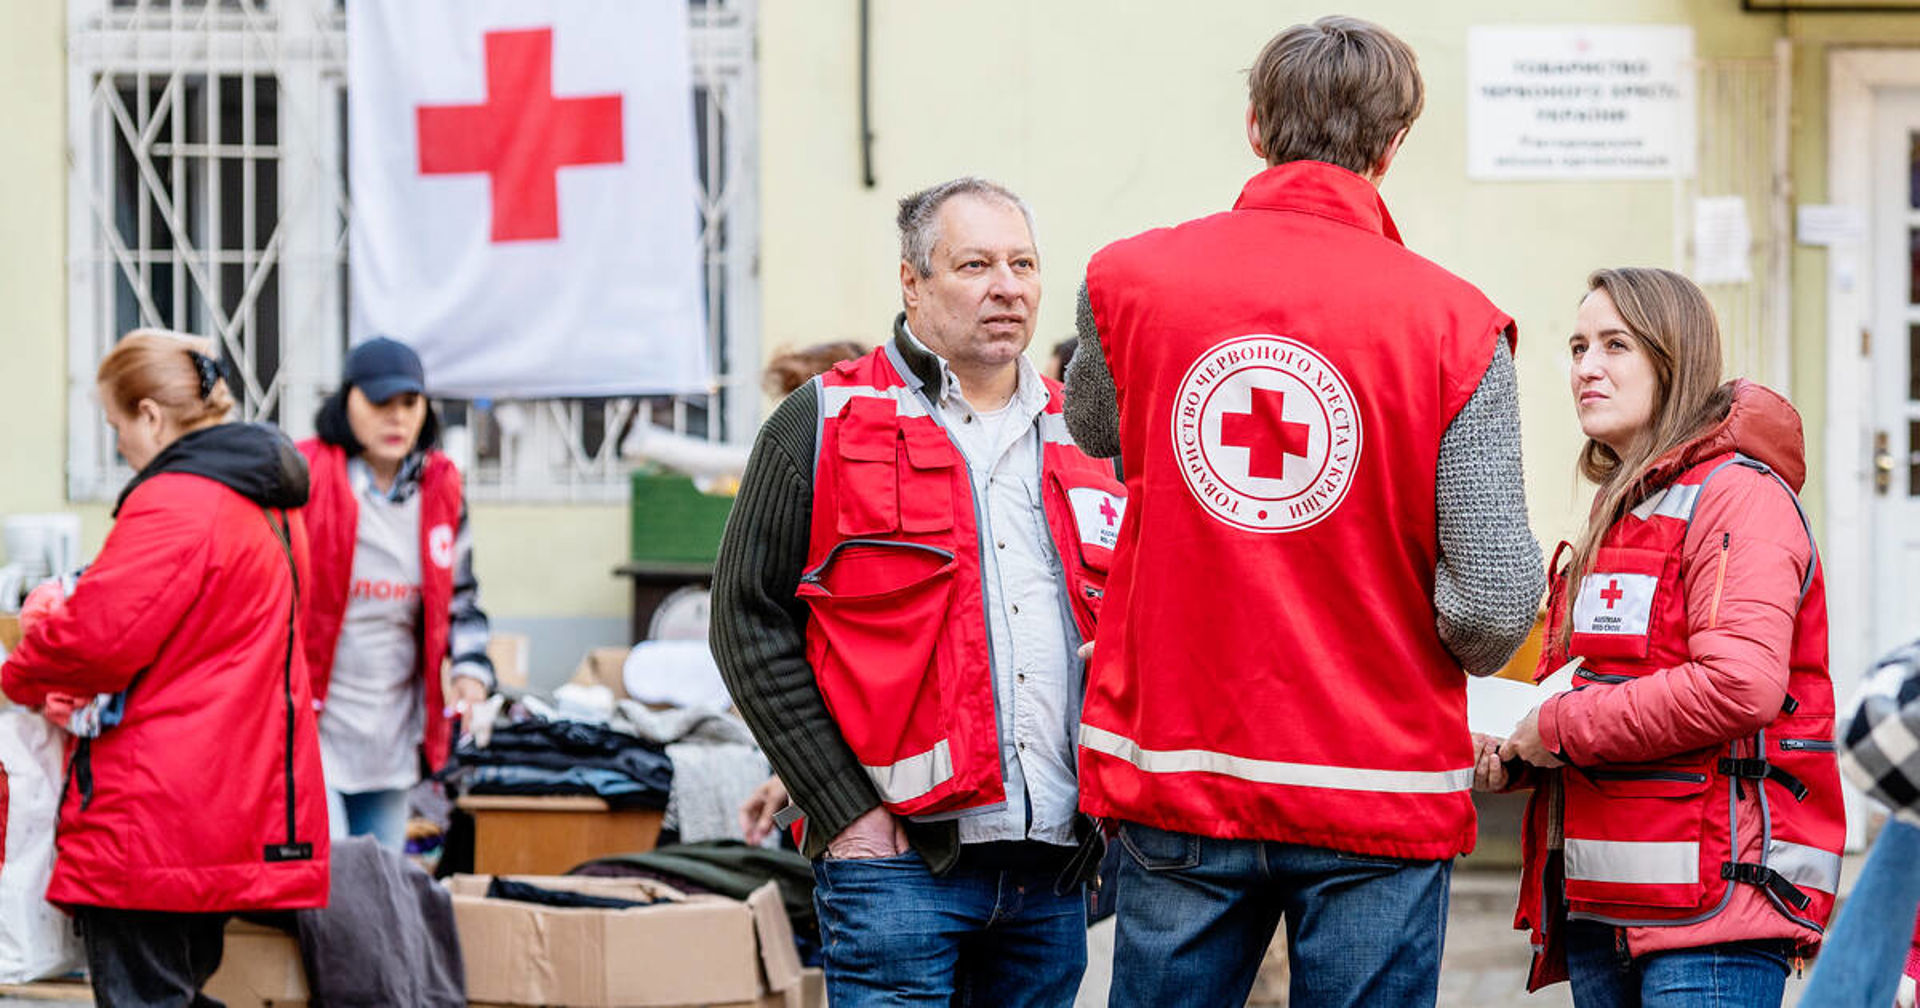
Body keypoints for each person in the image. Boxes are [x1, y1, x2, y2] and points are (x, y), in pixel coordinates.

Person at [1062, 17, 1543, 1007]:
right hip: (1377, 779)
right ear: (1393, 145)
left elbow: (1091, 426)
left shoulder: (1129, 282)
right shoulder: (1457, 325)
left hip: (1180, 761)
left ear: (1253, 127)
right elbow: (1494, 607)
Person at [711, 176, 1126, 1006]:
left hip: (1053, 875)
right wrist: (844, 810)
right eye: (974, 264)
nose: (1007, 287)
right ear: (912, 281)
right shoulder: (824, 420)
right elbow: (745, 622)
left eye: (1023, 264)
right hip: (899, 872)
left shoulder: (1087, 434)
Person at [1487, 268, 1845, 1007]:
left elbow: (1738, 685)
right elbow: (1593, 690)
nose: (1587, 366)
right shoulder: (1623, 511)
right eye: (1579, 346)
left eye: (1615, 345)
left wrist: (1554, 726)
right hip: (1606, 908)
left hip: (1712, 922)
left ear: (1671, 361)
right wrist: (1520, 749)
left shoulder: (1739, 498)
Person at [1, 329, 329, 1006]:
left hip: (156, 814)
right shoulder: (264, 501)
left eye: (116, 423)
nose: (117, 442)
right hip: (227, 800)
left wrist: (16, 676)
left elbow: (96, 639)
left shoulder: (179, 500)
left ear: (150, 415)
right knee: (174, 990)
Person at [298, 337, 494, 851]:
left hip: (391, 726)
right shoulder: (306, 478)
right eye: (379, 403)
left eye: (409, 404)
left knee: (381, 875)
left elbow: (461, 596)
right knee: (331, 876)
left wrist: (472, 674)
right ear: (347, 402)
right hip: (316, 718)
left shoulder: (441, 490)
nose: (396, 419)